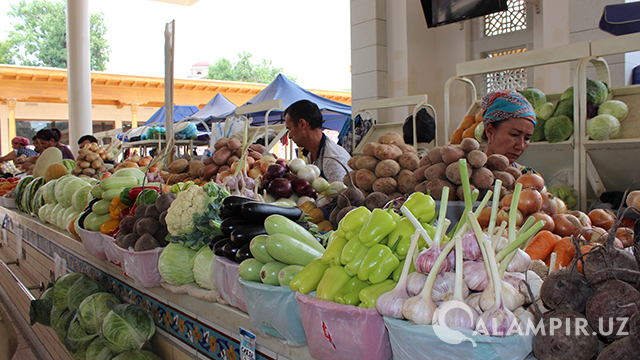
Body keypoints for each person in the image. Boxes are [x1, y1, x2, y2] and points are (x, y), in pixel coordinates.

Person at [284, 99, 352, 183]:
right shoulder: (309, 152)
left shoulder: (334, 160)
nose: (289, 136)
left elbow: (341, 194)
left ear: (302, 124)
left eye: (290, 129)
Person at [480, 89, 538, 175]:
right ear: (490, 132)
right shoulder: (463, 174)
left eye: (527, 138)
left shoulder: (530, 177)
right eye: (514, 135)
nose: (521, 146)